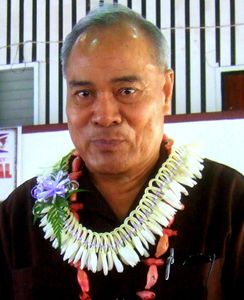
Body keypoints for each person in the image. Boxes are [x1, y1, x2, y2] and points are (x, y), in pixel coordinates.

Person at [0, 3, 243, 300]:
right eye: (84, 93)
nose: (104, 115)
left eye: (126, 91)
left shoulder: (228, 201)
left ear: (165, 91)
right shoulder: (20, 215)